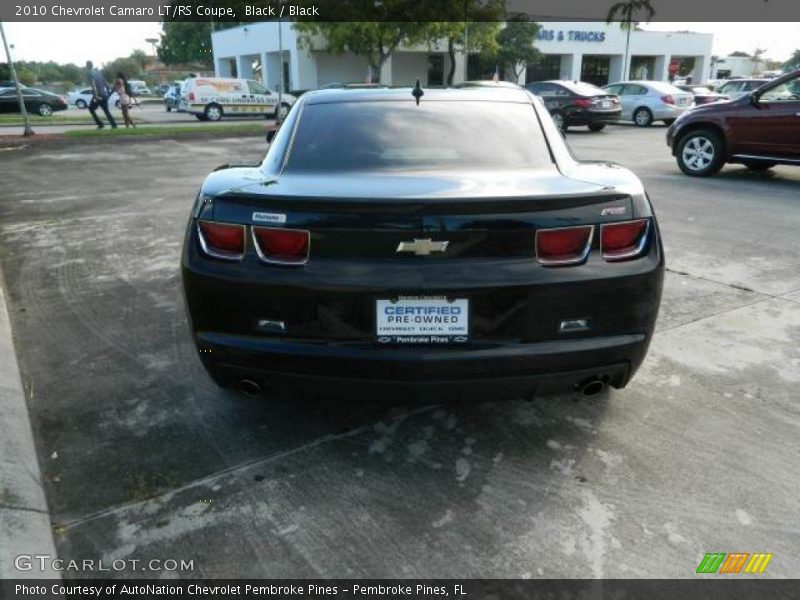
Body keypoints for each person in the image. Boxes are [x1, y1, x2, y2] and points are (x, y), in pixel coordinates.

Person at [85, 60, 117, 129]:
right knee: (106, 110)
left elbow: (93, 84)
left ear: (87, 66)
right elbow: (105, 83)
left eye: (86, 65)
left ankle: (100, 124)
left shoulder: (90, 73)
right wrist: (112, 88)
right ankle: (114, 125)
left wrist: (96, 95)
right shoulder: (98, 73)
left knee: (91, 109)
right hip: (104, 95)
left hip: (98, 95)